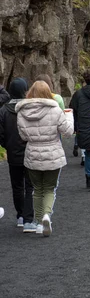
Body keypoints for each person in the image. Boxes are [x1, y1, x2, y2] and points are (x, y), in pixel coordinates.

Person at [17, 80, 74, 236]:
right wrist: (69, 117)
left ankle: (37, 222)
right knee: (49, 188)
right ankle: (46, 216)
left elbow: (22, 135)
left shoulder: (22, 111)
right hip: (52, 152)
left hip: (32, 153)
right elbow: (68, 132)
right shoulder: (55, 110)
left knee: (37, 189)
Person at [0, 78, 35, 232]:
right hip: (31, 151)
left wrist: (7, 145)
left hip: (13, 152)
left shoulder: (3, 110)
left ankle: (20, 216)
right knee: (30, 185)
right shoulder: (31, 108)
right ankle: (28, 219)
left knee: (17, 186)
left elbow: (0, 134)